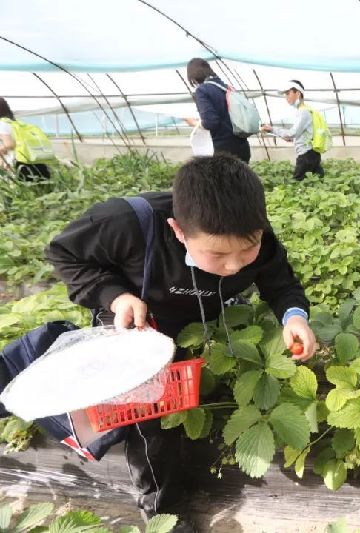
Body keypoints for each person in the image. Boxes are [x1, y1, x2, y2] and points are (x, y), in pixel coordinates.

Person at [45, 155, 316, 531]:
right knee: (149, 411)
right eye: (218, 254)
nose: (236, 265)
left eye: (248, 247)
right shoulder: (127, 223)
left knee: (198, 390)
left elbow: (280, 283)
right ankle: (163, 510)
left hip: (204, 312)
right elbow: (65, 253)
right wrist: (115, 296)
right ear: (178, 230)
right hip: (138, 318)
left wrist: (294, 317)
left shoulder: (258, 236)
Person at [185, 58, 251, 163]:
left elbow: (210, 122)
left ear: (192, 76)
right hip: (242, 148)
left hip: (223, 153)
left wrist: (194, 123)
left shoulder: (202, 90)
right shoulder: (227, 87)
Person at [261, 80, 324, 181]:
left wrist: (272, 129)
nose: (286, 97)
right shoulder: (305, 109)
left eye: (288, 93)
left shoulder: (303, 112)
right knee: (316, 182)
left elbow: (292, 133)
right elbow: (303, 133)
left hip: (306, 156)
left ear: (298, 93)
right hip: (312, 154)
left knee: (296, 184)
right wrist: (292, 139)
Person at [0, 97, 52, 179]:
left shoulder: (2, 123)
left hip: (15, 161)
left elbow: (9, 144)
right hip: (27, 158)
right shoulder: (14, 121)